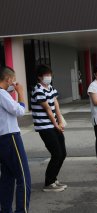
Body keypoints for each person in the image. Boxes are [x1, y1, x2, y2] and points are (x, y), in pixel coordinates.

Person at [30, 64, 67, 192]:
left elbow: (56, 105)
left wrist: (60, 121)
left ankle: (53, 178)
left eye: (50, 74)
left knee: (63, 153)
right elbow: (47, 110)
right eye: (46, 75)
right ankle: (49, 183)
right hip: (45, 126)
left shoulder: (50, 87)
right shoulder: (38, 90)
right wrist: (56, 125)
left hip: (54, 125)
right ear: (39, 77)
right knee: (56, 153)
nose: (49, 77)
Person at [0, 66, 31, 213]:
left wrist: (12, 90)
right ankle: (21, 210)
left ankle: (6, 209)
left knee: (7, 177)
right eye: (13, 79)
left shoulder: (3, 93)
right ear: (8, 79)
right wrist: (21, 93)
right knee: (24, 178)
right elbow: (19, 111)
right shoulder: (1, 94)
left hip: (2, 139)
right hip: (11, 136)